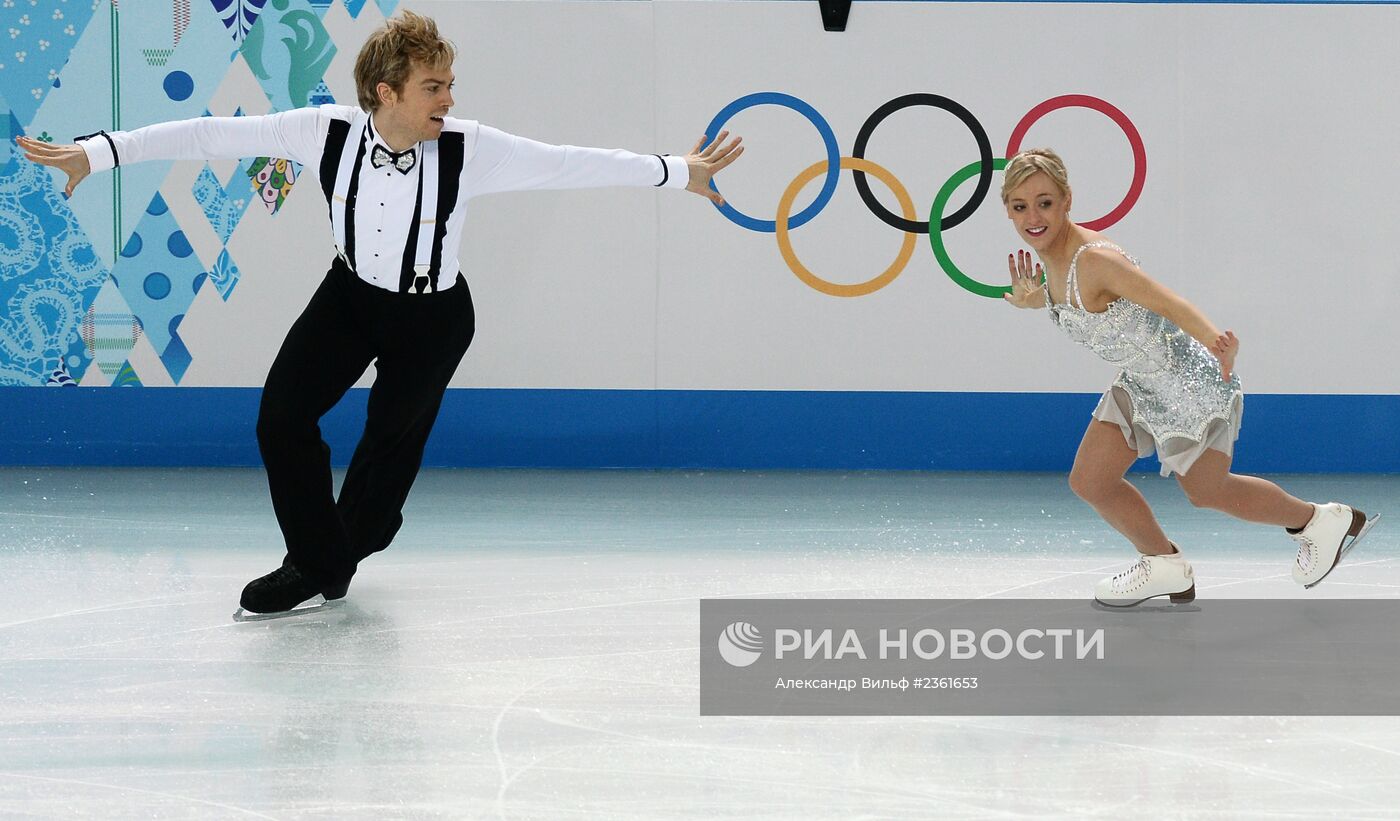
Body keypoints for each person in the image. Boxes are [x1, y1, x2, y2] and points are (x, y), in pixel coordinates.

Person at [16, 11, 743, 620]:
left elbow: (566, 163)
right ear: (385, 91)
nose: (448, 99)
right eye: (434, 87)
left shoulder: (469, 149)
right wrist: (98, 153)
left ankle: (331, 556)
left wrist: (679, 171)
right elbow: (210, 136)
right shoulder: (324, 132)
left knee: (385, 451)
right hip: (350, 297)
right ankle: (318, 562)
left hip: (434, 316)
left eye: (450, 85)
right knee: (280, 417)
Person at [1000, 148, 1376, 607]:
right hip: (1139, 384)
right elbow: (1082, 306)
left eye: (1044, 202)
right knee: (1090, 481)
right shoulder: (1054, 262)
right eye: (1020, 207)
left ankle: (1317, 521)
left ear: (1067, 200)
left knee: (1207, 492)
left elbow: (1169, 303)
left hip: (1185, 384)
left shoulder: (1095, 259)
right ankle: (1163, 566)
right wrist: (1032, 301)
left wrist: (1218, 341)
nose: (1033, 217)